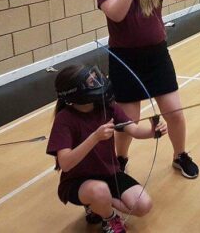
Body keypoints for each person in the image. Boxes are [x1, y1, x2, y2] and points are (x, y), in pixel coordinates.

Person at [97, 0, 200, 180]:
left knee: (175, 113)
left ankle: (180, 155)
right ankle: (121, 159)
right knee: (128, 121)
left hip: (157, 57)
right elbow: (116, 14)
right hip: (125, 61)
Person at [47, 64, 167, 233]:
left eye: (96, 78)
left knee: (143, 205)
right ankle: (109, 218)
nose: (98, 82)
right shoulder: (64, 119)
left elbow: (133, 130)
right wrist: (95, 137)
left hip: (108, 172)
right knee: (100, 191)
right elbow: (65, 164)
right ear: (76, 91)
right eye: (91, 82)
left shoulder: (107, 106)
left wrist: (152, 132)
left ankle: (97, 205)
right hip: (77, 181)